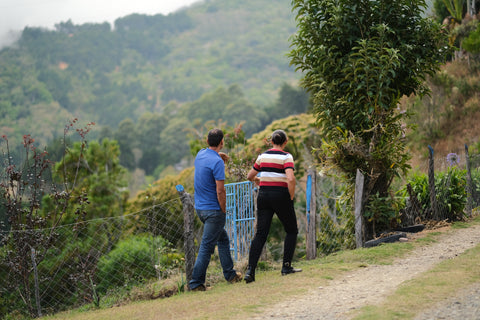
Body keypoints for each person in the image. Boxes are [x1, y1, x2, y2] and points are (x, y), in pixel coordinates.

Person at [188, 128, 242, 291]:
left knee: (223, 239)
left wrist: (219, 155)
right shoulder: (217, 163)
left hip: (200, 209)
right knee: (206, 246)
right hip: (213, 211)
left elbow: (209, 158)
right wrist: (223, 210)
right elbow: (220, 190)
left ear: (207, 141)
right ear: (222, 142)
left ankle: (230, 275)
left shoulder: (200, 154)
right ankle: (196, 283)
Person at [244, 129, 301, 283]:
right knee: (291, 230)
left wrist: (258, 180)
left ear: (271, 142)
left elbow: (249, 176)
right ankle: (286, 267)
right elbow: (290, 178)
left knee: (261, 234)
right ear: (285, 142)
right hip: (280, 195)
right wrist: (291, 195)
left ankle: (250, 271)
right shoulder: (286, 157)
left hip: (263, 196)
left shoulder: (262, 156)